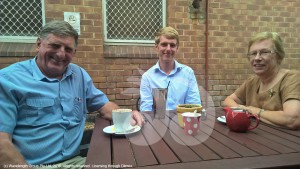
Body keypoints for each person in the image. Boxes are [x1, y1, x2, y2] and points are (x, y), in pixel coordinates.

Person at [0, 20, 144, 168]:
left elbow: (104, 106)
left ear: (74, 52)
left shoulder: (79, 75)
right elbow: (2, 142)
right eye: (55, 46)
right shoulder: (8, 80)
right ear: (38, 44)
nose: (61, 54)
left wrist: (127, 115)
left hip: (75, 161)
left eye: (68, 49)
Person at [223, 32, 300, 130]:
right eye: (253, 53)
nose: (257, 58)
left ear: (279, 56)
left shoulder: (292, 78)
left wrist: (252, 110)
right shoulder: (252, 81)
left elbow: (292, 119)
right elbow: (228, 101)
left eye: (264, 52)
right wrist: (242, 110)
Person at [139, 26, 201, 111]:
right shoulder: (147, 77)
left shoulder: (188, 73)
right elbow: (146, 111)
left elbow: (194, 106)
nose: (168, 49)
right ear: (157, 47)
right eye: (164, 44)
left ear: (177, 48)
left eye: (172, 45)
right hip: (157, 123)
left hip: (183, 122)